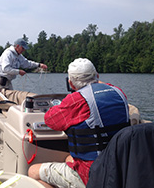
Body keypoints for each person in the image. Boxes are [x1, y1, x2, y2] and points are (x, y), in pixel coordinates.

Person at [28, 58, 130, 188]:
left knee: (33, 171)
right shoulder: (119, 92)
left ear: (70, 83)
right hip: (120, 168)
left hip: (94, 175)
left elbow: (50, 120)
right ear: (97, 76)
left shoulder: (75, 100)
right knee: (68, 159)